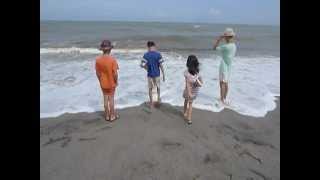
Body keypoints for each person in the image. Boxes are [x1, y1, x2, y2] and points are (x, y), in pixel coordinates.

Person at [95, 40, 119, 122]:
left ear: (102, 50)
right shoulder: (113, 60)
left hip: (103, 82)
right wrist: (116, 81)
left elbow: (97, 73)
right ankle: (112, 115)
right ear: (110, 49)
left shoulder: (98, 60)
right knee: (111, 99)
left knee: (105, 98)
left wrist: (100, 81)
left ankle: (107, 115)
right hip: (111, 82)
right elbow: (115, 74)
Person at [213, 28, 237, 105]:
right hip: (229, 66)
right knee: (226, 83)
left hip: (223, 66)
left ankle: (222, 99)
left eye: (225, 36)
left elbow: (214, 48)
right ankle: (224, 98)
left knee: (222, 83)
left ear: (226, 37)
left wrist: (219, 39)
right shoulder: (234, 46)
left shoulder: (225, 47)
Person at [140, 41, 165, 108]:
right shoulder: (158, 54)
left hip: (150, 75)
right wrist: (164, 74)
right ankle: (158, 100)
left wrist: (147, 69)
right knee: (158, 88)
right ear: (154, 46)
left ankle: (151, 103)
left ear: (148, 47)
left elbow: (141, 65)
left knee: (150, 89)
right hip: (157, 74)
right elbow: (161, 65)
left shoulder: (146, 55)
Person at [183, 55, 203, 125]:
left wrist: (189, 93)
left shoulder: (186, 73)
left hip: (189, 90)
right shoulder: (197, 73)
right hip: (193, 91)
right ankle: (189, 119)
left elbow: (188, 84)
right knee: (190, 104)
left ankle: (185, 112)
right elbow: (201, 83)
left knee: (186, 100)